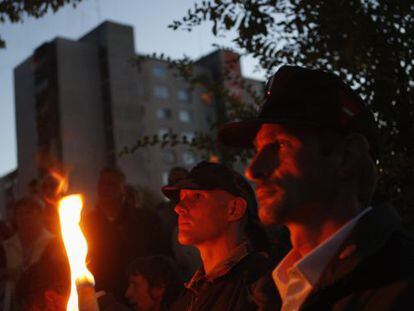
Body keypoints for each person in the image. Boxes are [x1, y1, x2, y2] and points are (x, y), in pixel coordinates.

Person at [218, 65, 414, 310]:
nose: (253, 170)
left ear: (347, 156)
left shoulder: (399, 289)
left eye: (280, 144)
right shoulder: (272, 291)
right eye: (258, 149)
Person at [162, 161, 278, 310]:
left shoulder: (260, 288)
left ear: (234, 208)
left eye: (197, 196)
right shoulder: (190, 295)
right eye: (181, 198)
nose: (179, 208)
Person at [82, 167, 172, 303]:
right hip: (101, 296)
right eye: (102, 184)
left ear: (123, 188)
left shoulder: (146, 221)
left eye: (111, 184)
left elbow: (162, 258)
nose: (105, 189)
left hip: (140, 297)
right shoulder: (86, 224)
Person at [0, 197, 55, 311]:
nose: (24, 217)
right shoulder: (5, 247)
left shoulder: (55, 244)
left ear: (41, 215)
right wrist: (5, 273)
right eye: (19, 213)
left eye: (29, 212)